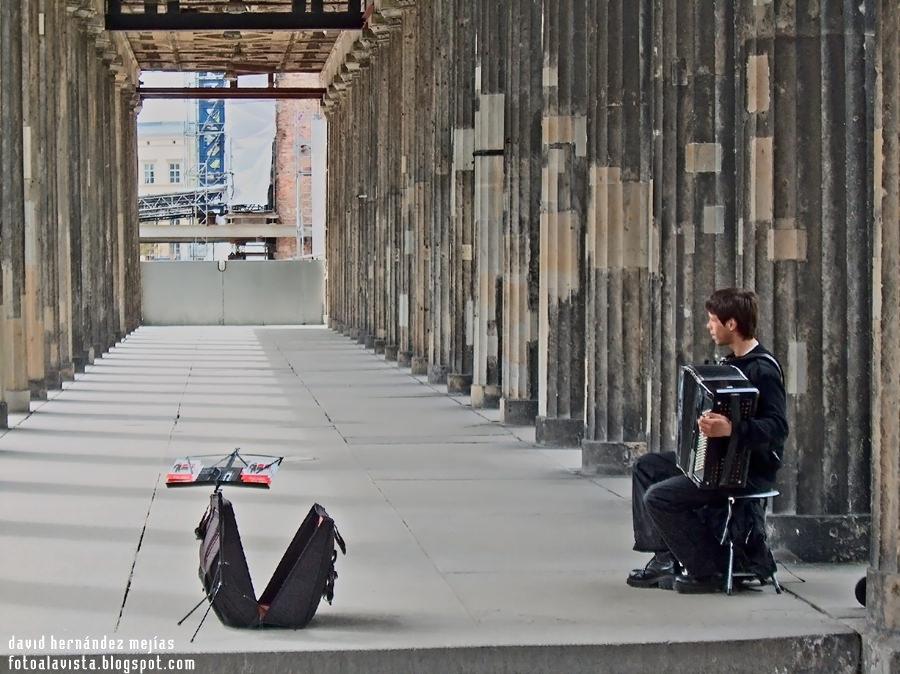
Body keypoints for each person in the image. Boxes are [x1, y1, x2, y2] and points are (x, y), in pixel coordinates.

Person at [627, 287, 788, 594]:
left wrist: (732, 430)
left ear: (732, 324)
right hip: (719, 464)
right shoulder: (730, 365)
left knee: (660, 498)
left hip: (745, 473)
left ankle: (707, 568)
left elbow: (778, 427)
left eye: (713, 320)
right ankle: (665, 556)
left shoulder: (763, 369)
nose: (708, 326)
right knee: (647, 466)